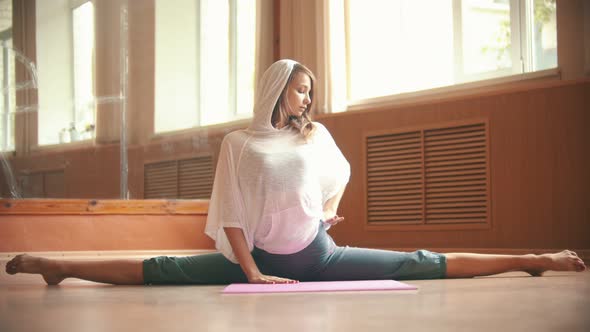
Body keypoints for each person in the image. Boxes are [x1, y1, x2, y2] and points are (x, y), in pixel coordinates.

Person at [5, 59, 586, 285]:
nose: (308, 100)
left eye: (311, 92)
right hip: (259, 260)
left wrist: (325, 211)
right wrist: (253, 274)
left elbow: (339, 174)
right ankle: (55, 264)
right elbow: (231, 212)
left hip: (317, 255)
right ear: (277, 90)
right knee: (164, 269)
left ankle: (534, 258)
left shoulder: (316, 135)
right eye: (300, 90)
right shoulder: (238, 143)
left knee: (417, 262)